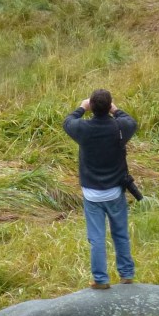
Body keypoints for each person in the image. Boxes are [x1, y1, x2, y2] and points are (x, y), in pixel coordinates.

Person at [63, 89, 137, 290]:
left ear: (92, 107)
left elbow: (68, 121)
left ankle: (101, 279)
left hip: (91, 193)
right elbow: (131, 122)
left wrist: (82, 107)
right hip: (115, 191)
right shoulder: (119, 127)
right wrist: (115, 110)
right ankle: (127, 274)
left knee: (96, 238)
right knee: (120, 233)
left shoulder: (83, 129)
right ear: (109, 106)